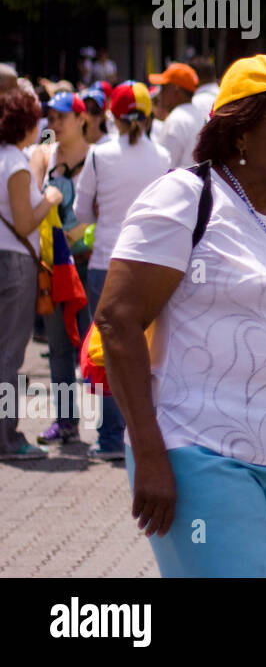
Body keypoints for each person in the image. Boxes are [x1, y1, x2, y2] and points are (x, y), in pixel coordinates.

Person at [96, 56, 266, 576]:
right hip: (200, 452)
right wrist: (151, 451)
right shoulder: (185, 197)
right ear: (239, 133)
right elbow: (118, 320)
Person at [74, 83, 171, 459]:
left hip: (106, 262)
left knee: (107, 352)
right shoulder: (162, 156)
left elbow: (82, 213)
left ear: (112, 116)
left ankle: (111, 438)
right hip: (152, 265)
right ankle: (147, 431)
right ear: (147, 117)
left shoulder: (99, 155)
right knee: (149, 350)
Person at [0, 89, 61, 460]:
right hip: (15, 266)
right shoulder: (16, 164)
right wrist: (50, 200)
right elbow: (25, 222)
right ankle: (7, 439)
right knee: (9, 356)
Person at [31, 92, 92, 448]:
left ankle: (111, 429)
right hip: (54, 266)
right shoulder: (45, 154)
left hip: (90, 263)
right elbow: (33, 195)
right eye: (51, 117)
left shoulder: (98, 156)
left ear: (81, 119)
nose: (54, 124)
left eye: (62, 117)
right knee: (58, 347)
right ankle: (66, 422)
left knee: (96, 345)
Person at [149, 63, 204, 169]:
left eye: (164, 87)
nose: (160, 94)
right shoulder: (198, 114)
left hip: (179, 183)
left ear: (176, 91)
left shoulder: (176, 120)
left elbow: (163, 168)